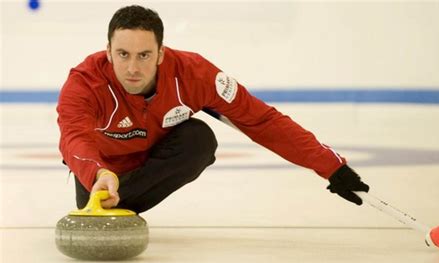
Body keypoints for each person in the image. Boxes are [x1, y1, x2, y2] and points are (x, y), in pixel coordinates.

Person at [57, 5, 369, 213]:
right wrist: (98, 172)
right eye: (123, 54)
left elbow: (260, 120)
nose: (133, 67)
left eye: (144, 55)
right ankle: (106, 200)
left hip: (148, 166)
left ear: (162, 54)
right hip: (99, 173)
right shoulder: (84, 84)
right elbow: (74, 139)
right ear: (108, 52)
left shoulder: (196, 75)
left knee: (199, 138)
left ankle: (117, 206)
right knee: (97, 185)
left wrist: (330, 165)